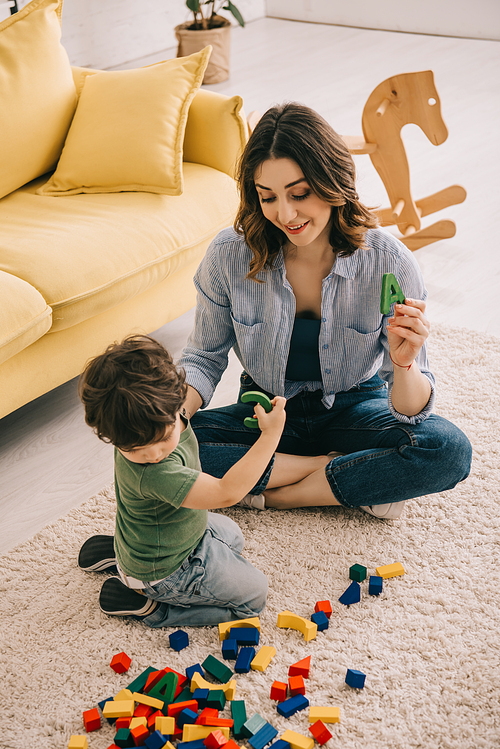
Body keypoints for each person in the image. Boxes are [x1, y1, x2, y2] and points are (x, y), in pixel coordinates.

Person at [178, 102, 472, 519]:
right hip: (267, 415)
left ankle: (280, 494)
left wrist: (405, 367)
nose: (285, 214)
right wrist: (171, 421)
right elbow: (203, 358)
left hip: (355, 407)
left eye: (300, 194)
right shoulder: (228, 256)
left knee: (446, 449)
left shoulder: (389, 261)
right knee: (170, 449)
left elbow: (411, 410)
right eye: (268, 197)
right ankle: (337, 475)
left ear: (333, 180)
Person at [77, 334, 289, 626]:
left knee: (234, 537)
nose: (152, 454)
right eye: (133, 448)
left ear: (176, 402)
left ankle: (127, 556)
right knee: (255, 597)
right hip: (168, 571)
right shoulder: (156, 471)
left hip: (171, 534)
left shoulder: (159, 414)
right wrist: (270, 436)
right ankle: (153, 607)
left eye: (162, 438)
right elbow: (228, 492)